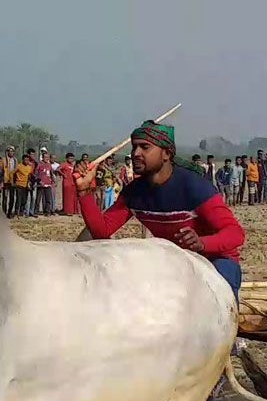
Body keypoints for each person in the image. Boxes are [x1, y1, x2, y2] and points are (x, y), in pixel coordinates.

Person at [76, 120, 245, 300]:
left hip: (213, 260)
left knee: (220, 295)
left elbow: (236, 234)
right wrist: (84, 190)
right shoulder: (134, 192)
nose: (136, 154)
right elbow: (102, 231)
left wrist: (201, 243)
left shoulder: (194, 187)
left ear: (166, 153)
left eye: (145, 147)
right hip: (172, 260)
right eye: (134, 148)